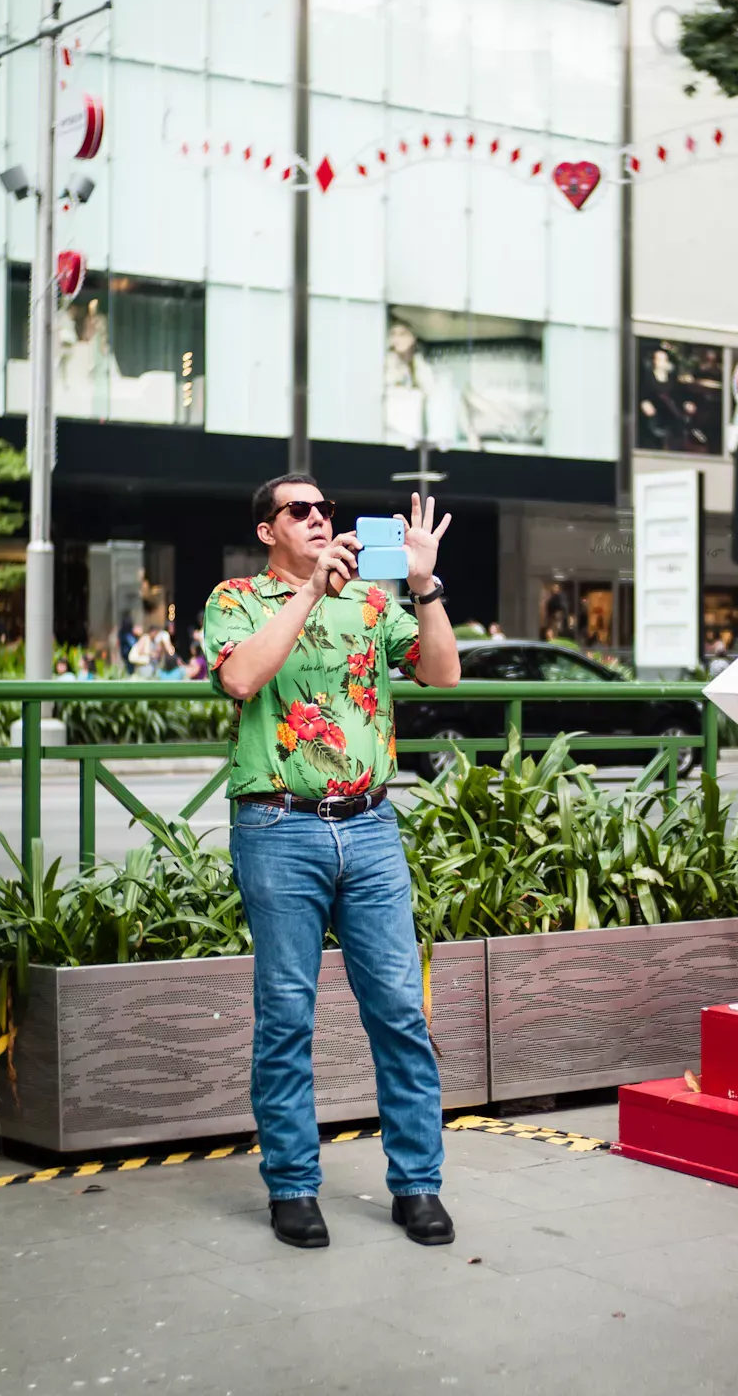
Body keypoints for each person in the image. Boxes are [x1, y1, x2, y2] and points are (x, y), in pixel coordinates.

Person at [203, 474, 460, 1253]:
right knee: (286, 1016)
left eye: (326, 511)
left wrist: (425, 585)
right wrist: (311, 591)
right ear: (266, 530)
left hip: (372, 827)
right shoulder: (235, 598)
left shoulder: (375, 604)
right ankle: (293, 1187)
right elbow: (243, 677)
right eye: (300, 511)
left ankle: (418, 1186)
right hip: (280, 829)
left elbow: (442, 674)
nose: (319, 519)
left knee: (400, 1016)